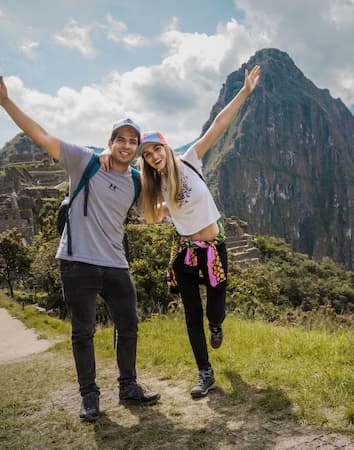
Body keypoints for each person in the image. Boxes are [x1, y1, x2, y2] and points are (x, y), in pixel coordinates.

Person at [0, 70, 160, 422]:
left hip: (117, 263)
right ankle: (90, 397)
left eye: (132, 141)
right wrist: (6, 101)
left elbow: (159, 203)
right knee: (82, 331)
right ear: (111, 141)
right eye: (120, 138)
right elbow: (41, 134)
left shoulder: (136, 180)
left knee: (129, 324)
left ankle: (129, 386)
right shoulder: (84, 161)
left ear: (137, 149)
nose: (126, 145)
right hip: (76, 262)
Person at [100, 65, 261, 398]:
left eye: (156, 149)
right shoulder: (154, 187)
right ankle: (205, 373)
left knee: (215, 309)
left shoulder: (191, 160)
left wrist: (244, 92)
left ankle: (217, 324)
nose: (154, 156)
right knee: (191, 315)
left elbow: (219, 125)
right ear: (145, 161)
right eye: (147, 155)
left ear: (166, 147)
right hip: (186, 254)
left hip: (214, 249)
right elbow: (156, 214)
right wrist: (106, 153)